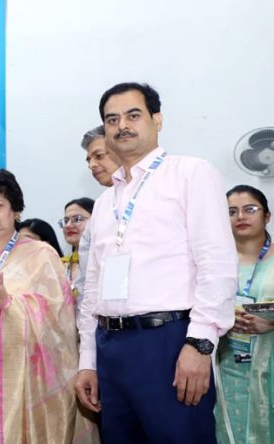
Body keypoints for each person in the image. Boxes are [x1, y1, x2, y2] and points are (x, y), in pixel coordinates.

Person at [75, 82, 237, 443]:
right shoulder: (104, 202)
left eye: (133, 115)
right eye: (112, 119)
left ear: (157, 119)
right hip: (110, 347)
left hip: (169, 342)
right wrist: (88, 358)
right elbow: (91, 287)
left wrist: (199, 345)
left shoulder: (190, 173)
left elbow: (217, 263)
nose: (122, 126)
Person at [0, 169, 98, 443]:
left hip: (29, 382)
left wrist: (7, 304)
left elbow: (60, 322)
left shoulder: (41, 254)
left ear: (16, 211)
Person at [215, 185, 274, 444]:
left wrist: (271, 323)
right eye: (231, 212)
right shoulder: (214, 264)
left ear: (267, 216)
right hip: (229, 366)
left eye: (250, 209)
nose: (241, 216)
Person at [76, 125, 122, 309]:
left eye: (99, 156)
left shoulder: (154, 196)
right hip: (105, 320)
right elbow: (87, 280)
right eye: (89, 160)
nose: (91, 165)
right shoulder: (100, 209)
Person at [59, 197, 94, 297]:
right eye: (66, 220)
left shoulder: (102, 262)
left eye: (77, 219)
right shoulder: (59, 266)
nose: (68, 225)